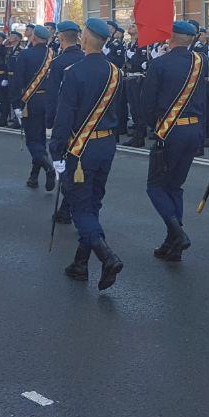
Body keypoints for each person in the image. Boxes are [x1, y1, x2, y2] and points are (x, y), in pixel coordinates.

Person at [49, 18, 124, 290]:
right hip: (106, 144)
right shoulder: (116, 72)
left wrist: (56, 152)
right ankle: (80, 264)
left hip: (81, 149)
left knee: (81, 207)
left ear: (84, 39)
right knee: (93, 204)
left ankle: (107, 257)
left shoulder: (74, 72)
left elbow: (64, 116)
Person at [141, 20, 207, 262]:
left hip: (169, 132)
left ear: (170, 37)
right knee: (175, 186)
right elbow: (204, 98)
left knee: (156, 186)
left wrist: (154, 126)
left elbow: (147, 103)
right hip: (193, 130)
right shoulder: (201, 63)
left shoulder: (159, 64)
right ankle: (173, 244)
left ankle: (178, 234)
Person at [46, 20, 85, 223]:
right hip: (88, 122)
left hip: (66, 122)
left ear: (61, 38)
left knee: (63, 165)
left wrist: (49, 122)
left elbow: (53, 97)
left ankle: (72, 207)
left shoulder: (59, 63)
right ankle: (65, 208)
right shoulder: (87, 58)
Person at [12, 24, 57, 191]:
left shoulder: (26, 54)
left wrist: (16, 104)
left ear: (34, 37)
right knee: (40, 140)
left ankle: (48, 167)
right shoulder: (53, 54)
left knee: (33, 141)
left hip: (32, 101)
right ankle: (34, 176)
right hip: (50, 100)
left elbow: (17, 81)